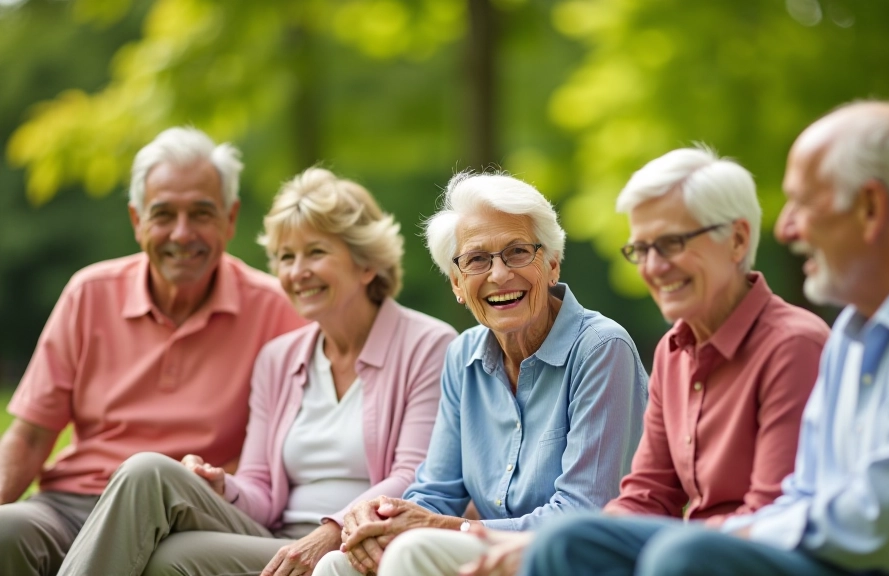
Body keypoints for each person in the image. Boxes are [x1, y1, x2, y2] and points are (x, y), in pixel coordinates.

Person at [521, 101, 889, 576]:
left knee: (686, 558)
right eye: (643, 248)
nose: (784, 227)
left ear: (870, 208)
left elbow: (876, 523)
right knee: (568, 544)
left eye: (802, 204)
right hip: (838, 553)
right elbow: (805, 492)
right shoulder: (855, 327)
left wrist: (735, 534)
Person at [54, 167, 458, 576]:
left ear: (367, 264)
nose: (297, 272)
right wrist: (222, 487)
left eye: (316, 253)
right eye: (286, 256)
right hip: (274, 539)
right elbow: (261, 489)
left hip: (357, 546)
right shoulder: (278, 359)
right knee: (147, 472)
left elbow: (413, 477)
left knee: (168, 560)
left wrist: (331, 532)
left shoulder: (428, 346)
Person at [454, 146, 831, 576]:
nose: (654, 267)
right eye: (642, 248)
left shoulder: (793, 345)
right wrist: (534, 542)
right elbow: (647, 495)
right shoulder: (674, 350)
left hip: (763, 554)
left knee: (675, 557)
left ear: (738, 240)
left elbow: (771, 515)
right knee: (565, 542)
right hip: (694, 552)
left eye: (671, 243)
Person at [0, 127, 307, 576]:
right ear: (137, 220)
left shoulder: (276, 309)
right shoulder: (90, 293)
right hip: (73, 504)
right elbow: (28, 437)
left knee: (149, 486)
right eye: (164, 214)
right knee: (6, 530)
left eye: (201, 213)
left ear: (230, 218)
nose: (182, 235)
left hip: (190, 514)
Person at [311, 172, 649, 576]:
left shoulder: (601, 349)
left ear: (553, 264)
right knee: (338, 564)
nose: (499, 275)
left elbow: (581, 513)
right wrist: (382, 516)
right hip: (488, 560)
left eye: (518, 252)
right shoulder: (463, 356)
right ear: (457, 283)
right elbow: (436, 492)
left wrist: (448, 528)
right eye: (476, 260)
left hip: (573, 560)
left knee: (410, 554)